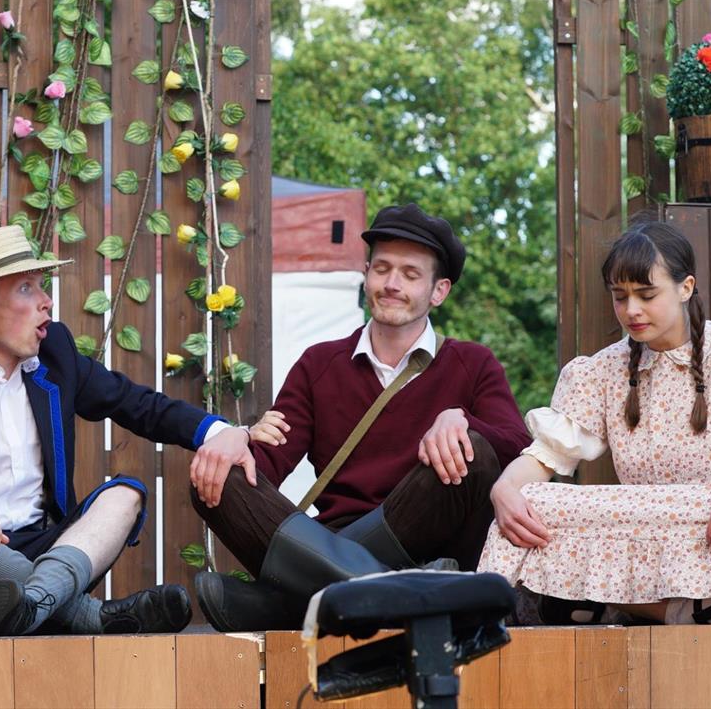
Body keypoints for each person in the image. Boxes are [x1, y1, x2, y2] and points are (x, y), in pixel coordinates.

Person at [0, 224, 254, 637]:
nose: (46, 301)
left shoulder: (56, 352)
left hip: (41, 551)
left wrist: (220, 433)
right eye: (26, 288)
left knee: (126, 495)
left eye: (41, 285)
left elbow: (138, 404)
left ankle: (29, 604)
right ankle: (80, 613)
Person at [189, 203, 532, 632]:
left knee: (473, 451)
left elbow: (518, 449)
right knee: (217, 475)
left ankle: (290, 602)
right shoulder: (319, 364)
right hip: (331, 538)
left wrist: (460, 418)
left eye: (410, 274)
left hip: (424, 531)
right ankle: (407, 594)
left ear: (438, 290)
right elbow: (266, 466)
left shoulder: (472, 363)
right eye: (382, 269)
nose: (391, 284)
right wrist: (234, 437)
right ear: (366, 274)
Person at [480, 219, 711, 624]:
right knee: (531, 504)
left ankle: (623, 605)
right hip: (637, 521)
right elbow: (546, 456)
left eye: (646, 294)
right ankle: (672, 610)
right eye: (620, 297)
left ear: (685, 287)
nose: (632, 310)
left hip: (707, 521)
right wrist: (506, 487)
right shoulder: (601, 371)